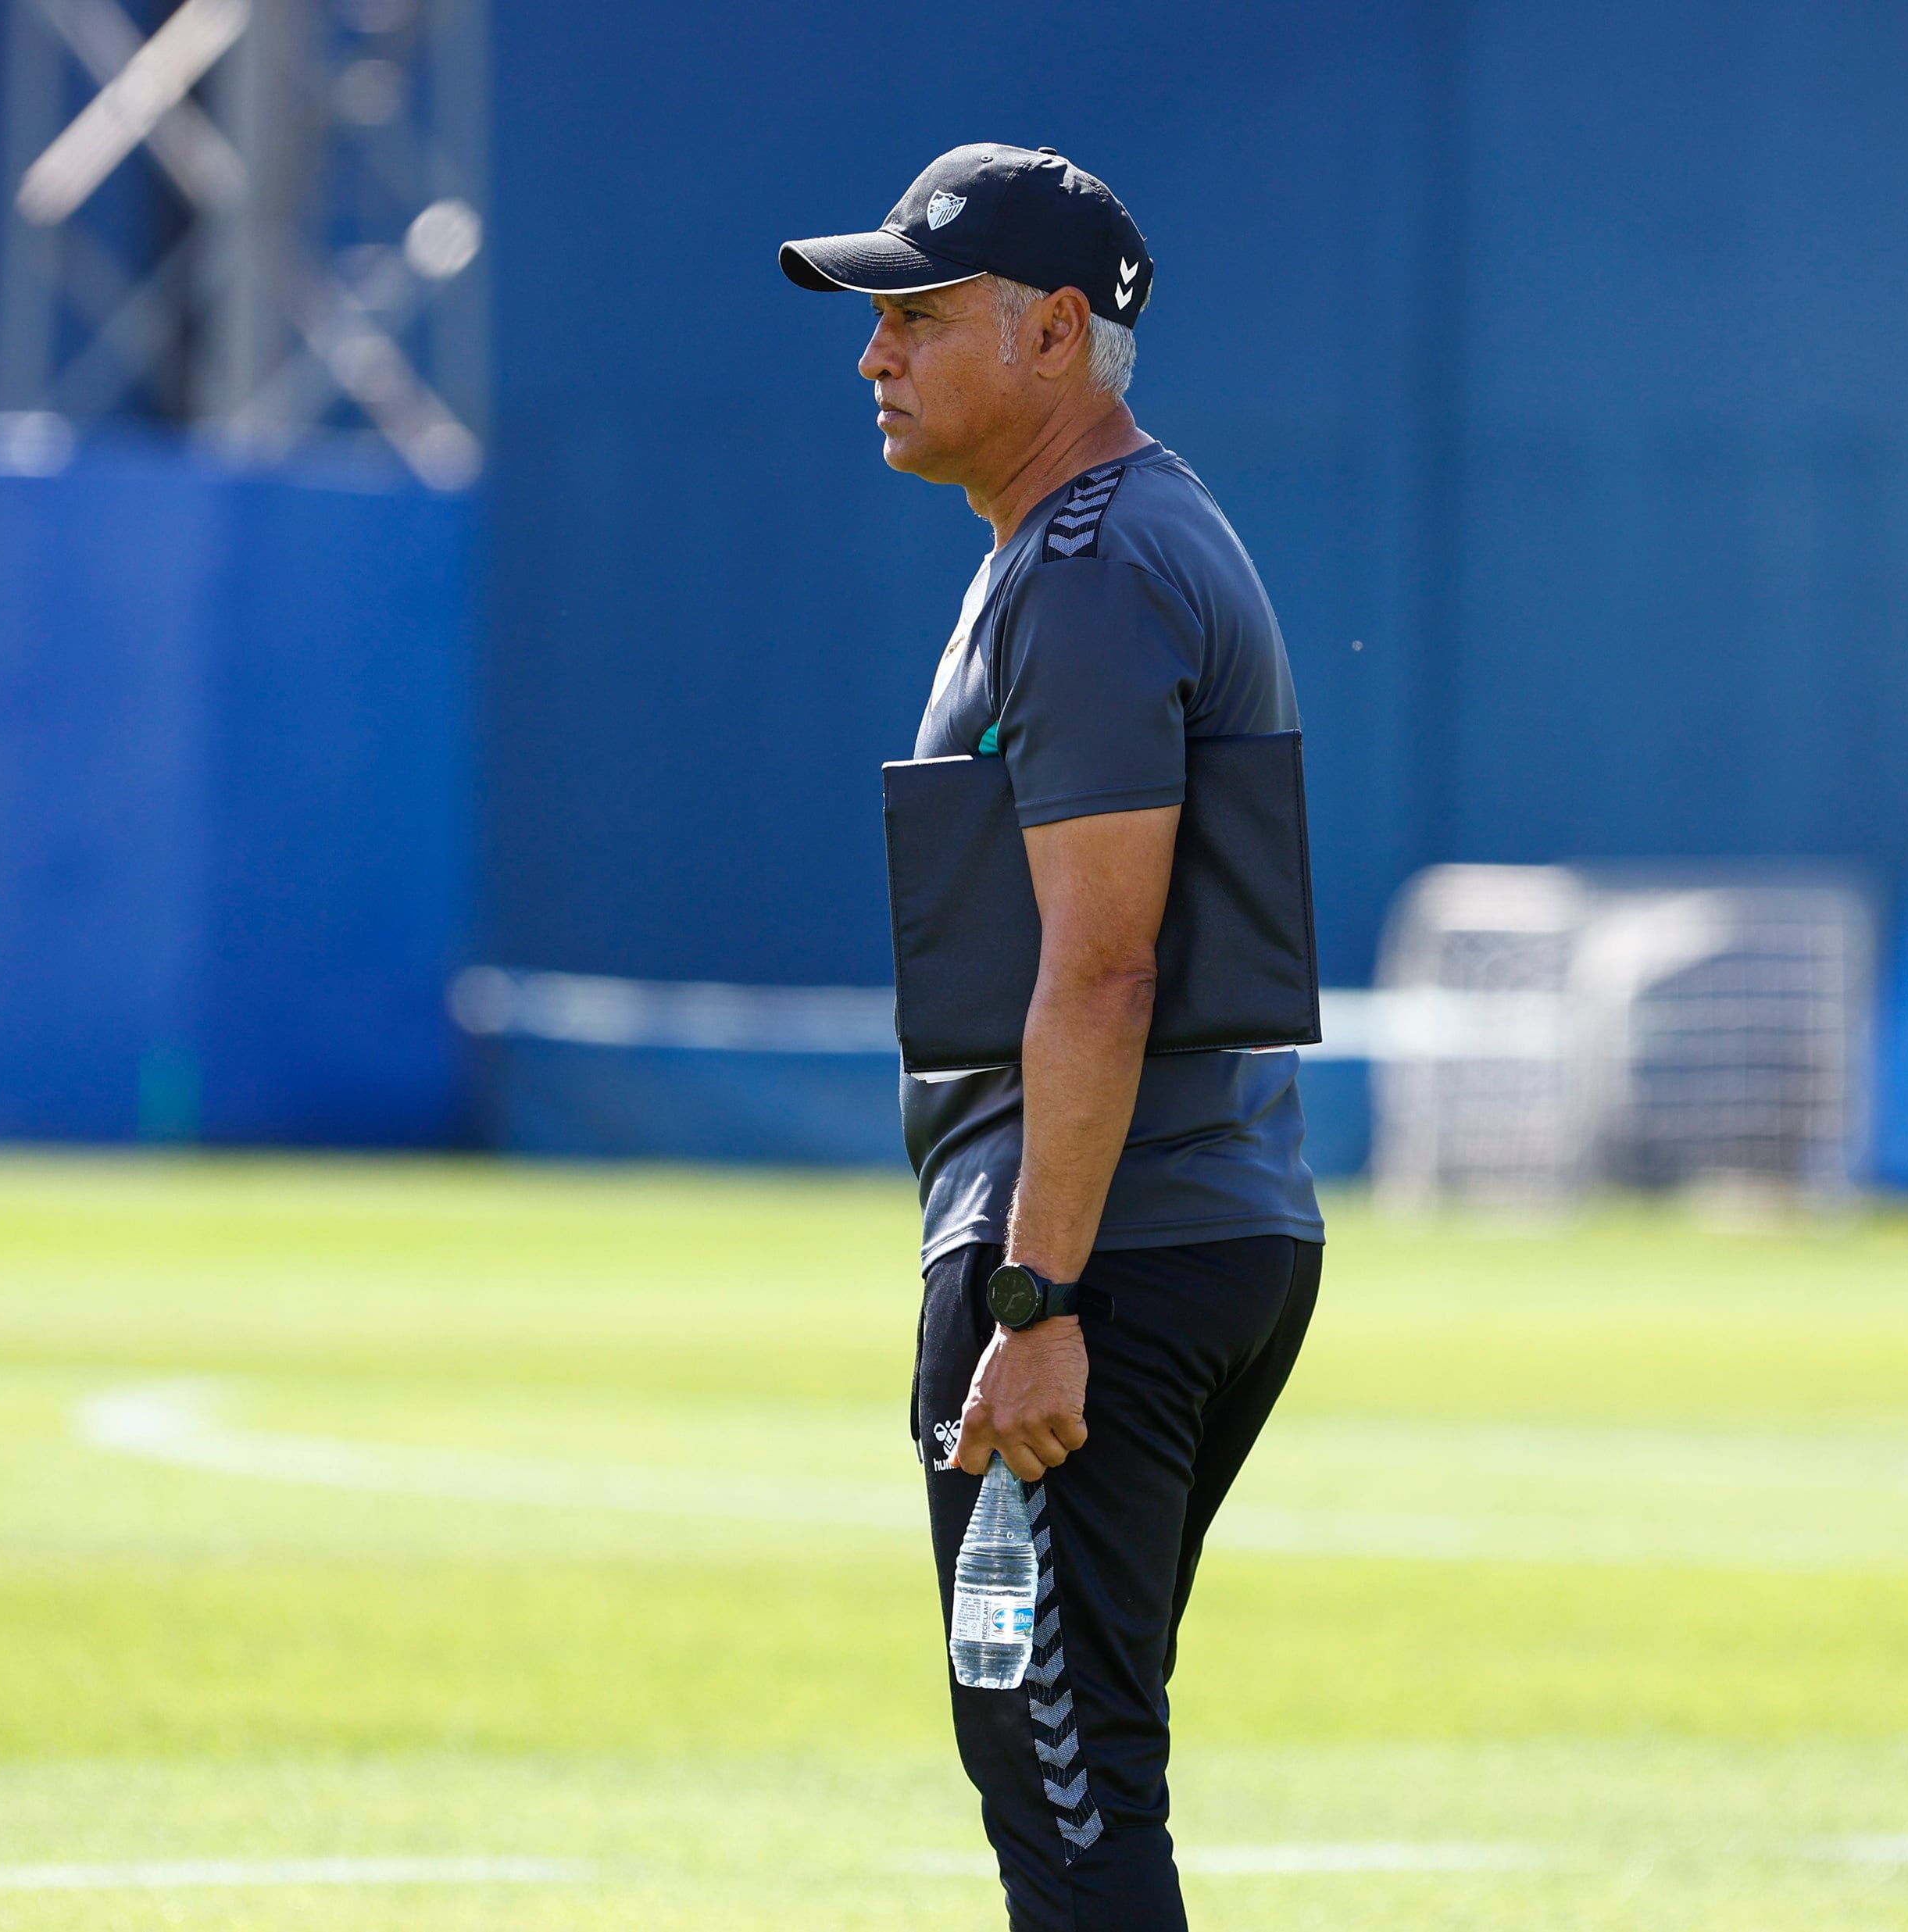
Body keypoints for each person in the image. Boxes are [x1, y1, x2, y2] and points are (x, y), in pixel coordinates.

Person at [780, 146, 1324, 1930]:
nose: (875, 354)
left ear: (1054, 333)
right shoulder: (1100, 541)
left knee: (1069, 1797)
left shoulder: (1091, 563)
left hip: (1104, 1253)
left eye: (918, 315)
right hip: (1178, 1227)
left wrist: (1034, 1302)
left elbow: (1102, 973)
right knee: (1066, 1772)